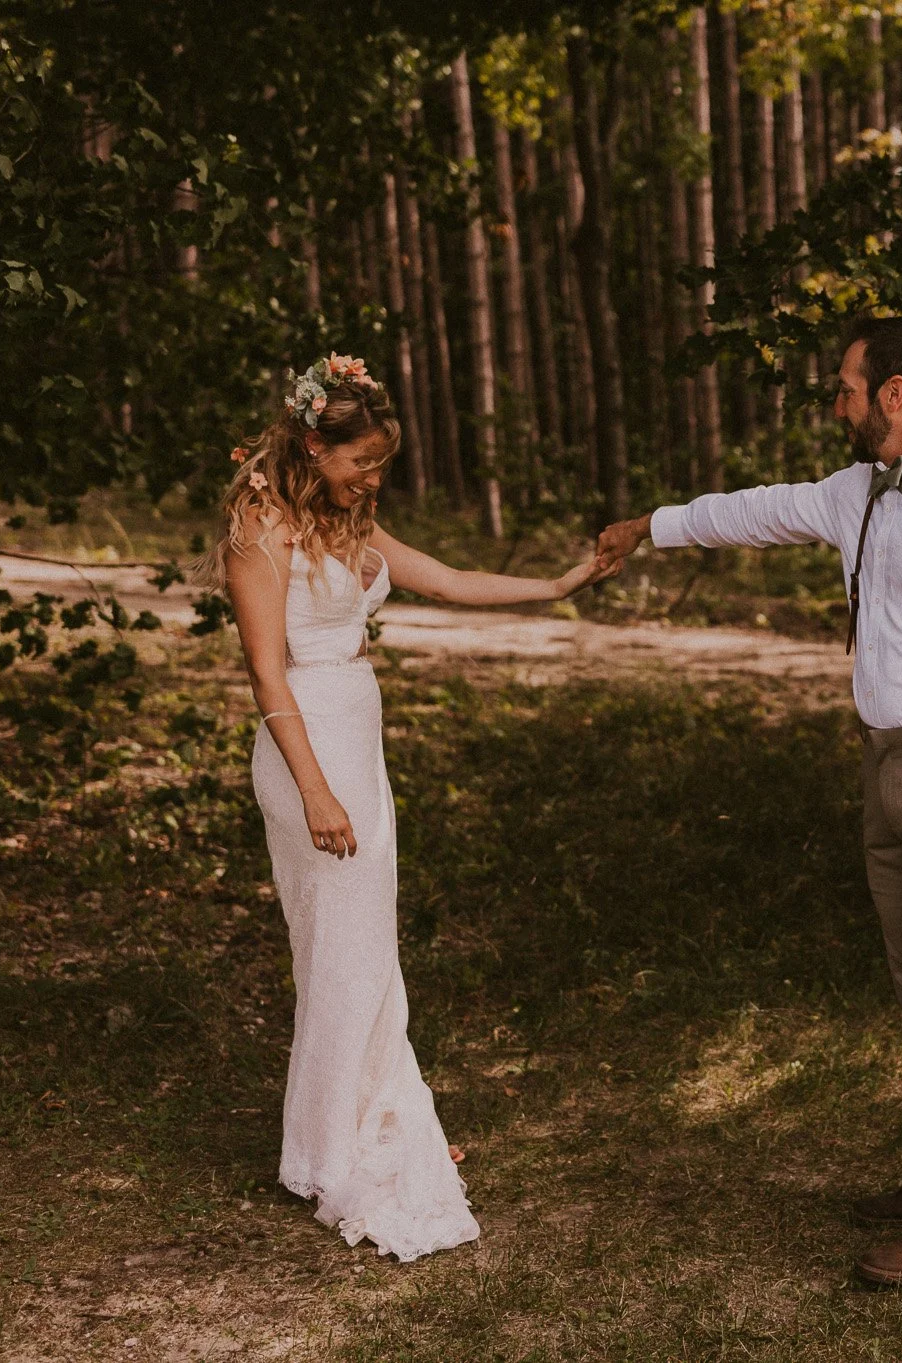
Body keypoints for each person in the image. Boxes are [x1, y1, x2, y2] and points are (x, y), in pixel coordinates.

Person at [596, 317, 902, 1286]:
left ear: (892, 393)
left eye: (844, 388)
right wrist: (649, 525)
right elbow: (749, 510)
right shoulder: (851, 493)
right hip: (886, 768)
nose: (835, 402)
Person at [198, 354, 612, 1262]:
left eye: (382, 461)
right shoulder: (258, 533)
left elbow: (451, 577)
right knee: (341, 950)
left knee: (366, 948)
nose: (373, 477)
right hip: (309, 749)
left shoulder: (349, 526)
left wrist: (557, 586)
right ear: (316, 443)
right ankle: (341, 1146)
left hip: (358, 739)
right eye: (362, 461)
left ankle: (376, 1115)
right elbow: (266, 670)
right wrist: (314, 788)